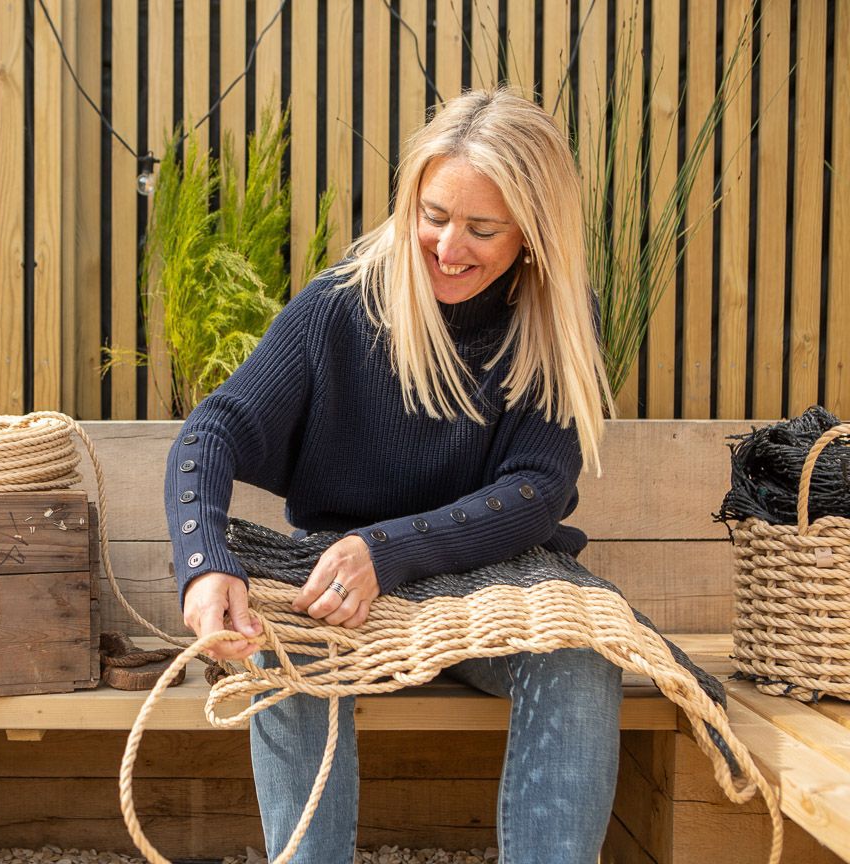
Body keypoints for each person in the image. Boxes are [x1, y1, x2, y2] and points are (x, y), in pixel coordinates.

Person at [162, 86, 620, 864]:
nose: (447, 247)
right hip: (343, 595)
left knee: (579, 658)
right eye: (433, 215)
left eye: (482, 228)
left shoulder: (560, 316)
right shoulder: (338, 307)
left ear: (534, 233)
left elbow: (535, 493)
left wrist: (386, 550)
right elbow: (213, 430)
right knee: (281, 649)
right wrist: (203, 568)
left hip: (498, 583)